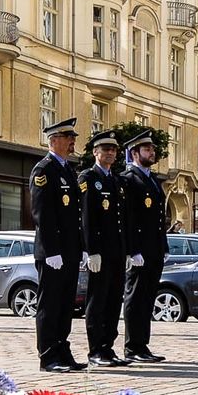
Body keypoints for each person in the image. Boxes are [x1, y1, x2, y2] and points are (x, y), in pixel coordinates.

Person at [30, 118, 84, 372]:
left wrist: (80, 247)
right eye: (67, 137)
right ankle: (48, 355)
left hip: (69, 251)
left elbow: (75, 215)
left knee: (65, 305)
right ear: (53, 140)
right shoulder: (44, 170)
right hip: (53, 252)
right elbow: (43, 213)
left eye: (73, 137)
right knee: (50, 304)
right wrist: (52, 250)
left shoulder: (67, 170)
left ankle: (62, 351)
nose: (73, 141)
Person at [119, 129, 167, 363]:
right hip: (139, 251)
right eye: (147, 149)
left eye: (152, 149)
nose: (152, 152)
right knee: (136, 298)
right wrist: (132, 250)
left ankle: (142, 345)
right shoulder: (128, 180)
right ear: (134, 153)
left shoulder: (152, 180)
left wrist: (163, 246)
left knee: (147, 299)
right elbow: (129, 219)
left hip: (154, 249)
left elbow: (159, 218)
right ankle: (132, 346)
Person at [80, 131, 128, 366]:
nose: (110, 153)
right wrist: (91, 250)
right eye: (105, 149)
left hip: (117, 251)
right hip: (100, 251)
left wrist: (127, 250)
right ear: (95, 152)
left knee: (112, 301)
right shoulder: (88, 177)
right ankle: (96, 349)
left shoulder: (116, 181)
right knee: (98, 301)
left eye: (113, 150)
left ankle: (108, 347)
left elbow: (122, 220)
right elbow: (87, 217)